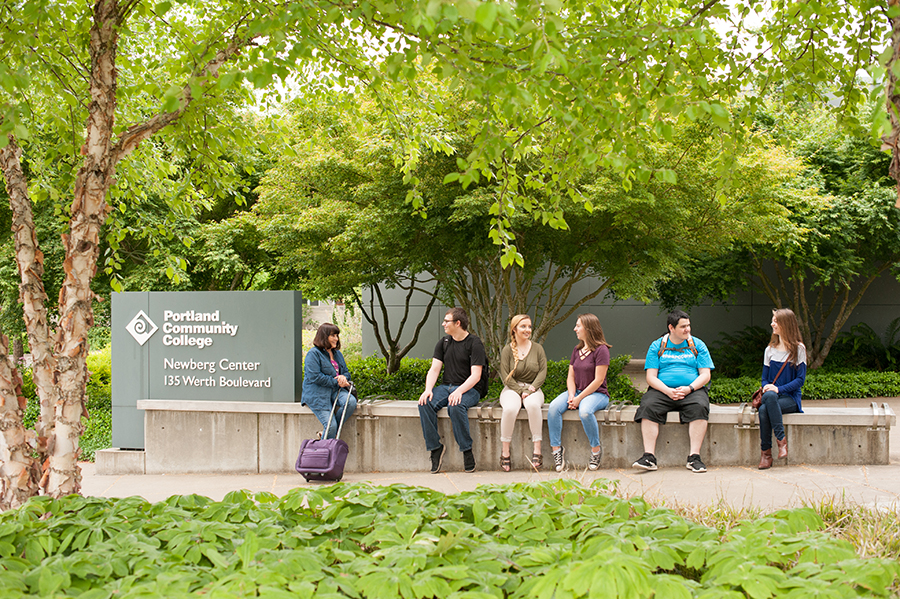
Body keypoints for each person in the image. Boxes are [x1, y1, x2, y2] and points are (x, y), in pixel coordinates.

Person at [632, 310, 714, 473]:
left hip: (692, 389)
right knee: (648, 405)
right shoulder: (657, 345)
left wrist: (689, 388)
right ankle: (649, 457)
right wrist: (668, 391)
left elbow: (705, 374)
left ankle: (694, 458)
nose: (687, 329)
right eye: (683, 327)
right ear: (671, 327)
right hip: (662, 390)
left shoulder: (697, 345)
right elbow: (651, 377)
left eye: (688, 325)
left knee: (700, 406)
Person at [418, 307, 487, 474]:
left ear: (458, 323)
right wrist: (428, 389)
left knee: (455, 406)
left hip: (470, 388)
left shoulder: (474, 343)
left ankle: (466, 450)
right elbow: (434, 369)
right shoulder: (444, 343)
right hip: (446, 387)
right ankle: (435, 447)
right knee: (424, 403)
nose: (443, 324)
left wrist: (459, 392)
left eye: (446, 321)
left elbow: (476, 375)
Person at [547, 314, 612, 472]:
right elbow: (571, 376)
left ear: (588, 328)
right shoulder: (576, 350)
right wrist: (571, 395)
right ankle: (557, 450)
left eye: (578, 326)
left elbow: (598, 380)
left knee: (584, 411)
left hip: (597, 394)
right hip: (576, 392)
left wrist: (579, 398)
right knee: (553, 408)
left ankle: (595, 450)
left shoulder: (601, 350)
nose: (575, 329)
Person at [757, 308, 807, 469]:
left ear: (786, 324)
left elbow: (800, 380)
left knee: (764, 410)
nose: (772, 324)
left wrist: (778, 390)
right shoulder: (769, 350)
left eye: (775, 321)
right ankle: (781, 442)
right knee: (769, 398)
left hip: (790, 398)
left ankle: (766, 454)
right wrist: (767, 388)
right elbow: (764, 379)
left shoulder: (799, 349)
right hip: (770, 395)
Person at [498, 314, 547, 471]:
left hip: (533, 388)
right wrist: (520, 390)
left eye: (529, 326)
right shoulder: (507, 350)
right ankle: (505, 451)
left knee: (533, 405)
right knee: (511, 408)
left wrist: (531, 389)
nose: (528, 330)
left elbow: (543, 371)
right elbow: (506, 376)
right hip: (512, 388)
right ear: (514, 329)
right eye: (523, 326)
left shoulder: (538, 348)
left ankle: (537, 450)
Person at [301, 323, 357, 439]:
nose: (336, 338)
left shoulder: (337, 354)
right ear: (324, 336)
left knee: (350, 402)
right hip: (317, 394)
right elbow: (314, 376)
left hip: (336, 391)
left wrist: (344, 378)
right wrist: (336, 381)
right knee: (331, 426)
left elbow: (346, 372)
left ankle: (328, 433)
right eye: (333, 335)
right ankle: (324, 454)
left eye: (337, 335)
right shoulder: (313, 354)